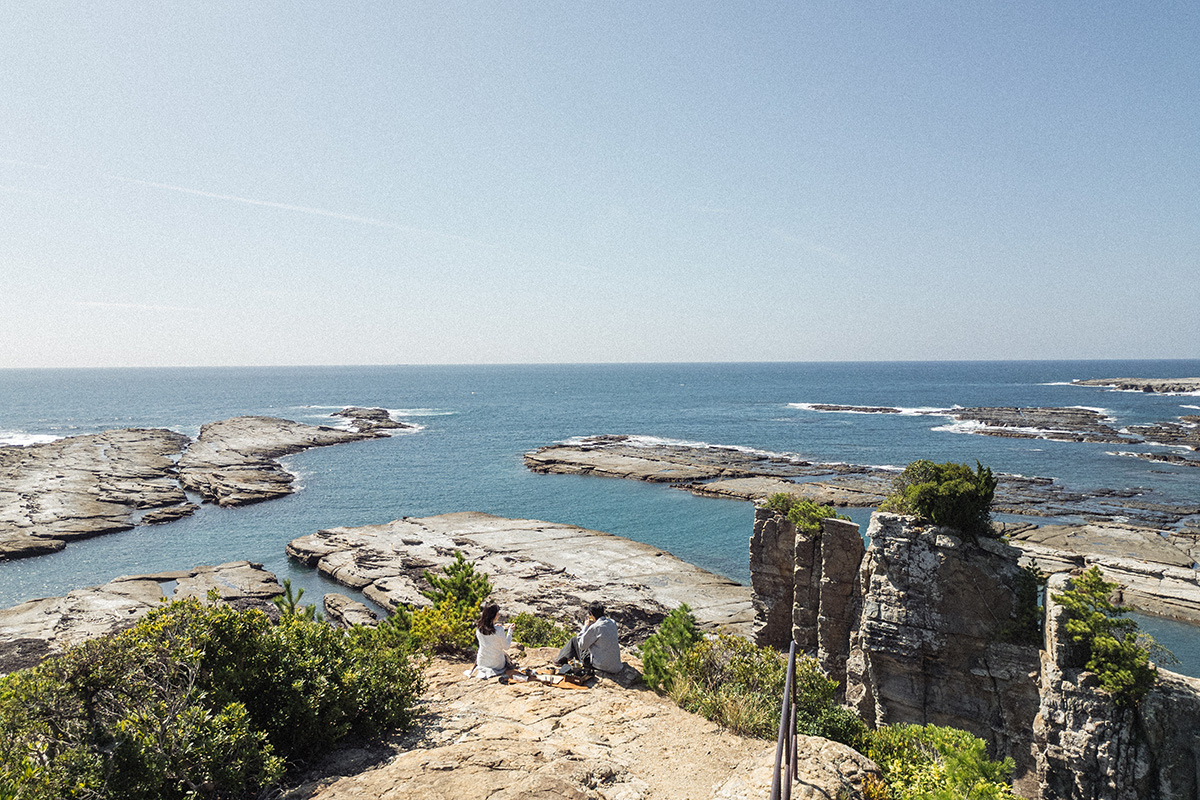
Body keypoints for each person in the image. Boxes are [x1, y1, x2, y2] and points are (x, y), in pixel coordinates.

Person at [556, 602, 622, 674]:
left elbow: (581, 645)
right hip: (616, 666)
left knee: (574, 640)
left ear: (591, 614)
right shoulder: (612, 622)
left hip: (601, 666)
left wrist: (586, 627)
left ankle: (560, 661)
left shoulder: (595, 627)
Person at [474, 602, 515, 678]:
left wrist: (497, 626)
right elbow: (506, 646)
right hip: (497, 664)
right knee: (505, 655)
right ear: (495, 615)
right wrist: (510, 631)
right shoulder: (499, 630)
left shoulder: (478, 627)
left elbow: (489, 635)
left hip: (482, 662)